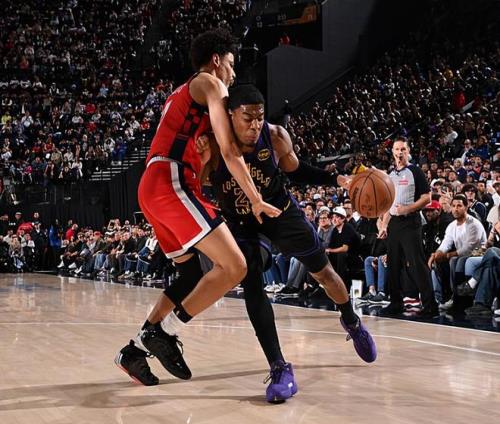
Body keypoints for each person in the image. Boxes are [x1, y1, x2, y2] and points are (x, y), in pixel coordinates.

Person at [115, 30, 281, 387]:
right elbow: (230, 149)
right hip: (170, 180)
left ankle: (133, 352)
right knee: (235, 266)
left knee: (190, 275)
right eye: (231, 65)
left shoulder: (184, 97)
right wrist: (254, 197)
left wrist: (205, 156)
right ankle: (163, 332)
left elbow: (205, 164)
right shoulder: (210, 83)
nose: (233, 74)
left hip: (159, 183)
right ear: (217, 60)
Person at [196, 85, 376, 401]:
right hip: (242, 223)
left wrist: (335, 179)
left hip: (280, 212)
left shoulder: (275, 136)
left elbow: (297, 170)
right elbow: (194, 187)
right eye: (247, 118)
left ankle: (351, 320)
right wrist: (201, 164)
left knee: (324, 274)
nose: (255, 125)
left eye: (259, 118)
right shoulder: (210, 144)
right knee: (251, 280)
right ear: (230, 115)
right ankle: (279, 366)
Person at [378, 137, 438, 317]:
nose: (400, 152)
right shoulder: (390, 175)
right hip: (394, 224)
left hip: (411, 222)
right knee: (393, 264)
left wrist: (407, 208)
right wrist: (384, 225)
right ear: (392, 152)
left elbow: (427, 198)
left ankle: (430, 306)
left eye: (403, 149)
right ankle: (396, 303)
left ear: (408, 151)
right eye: (397, 149)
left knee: (417, 264)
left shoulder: (415, 171)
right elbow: (389, 204)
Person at [427, 194, 487, 311]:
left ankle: (463, 300)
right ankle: (453, 297)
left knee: (458, 260)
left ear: (466, 207)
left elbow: (468, 248)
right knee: (452, 260)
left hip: (479, 255)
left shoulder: (473, 224)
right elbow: (446, 243)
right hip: (463, 256)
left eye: (459, 206)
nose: (455, 209)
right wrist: (437, 254)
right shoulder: (452, 226)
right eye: (453, 206)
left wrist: (447, 255)